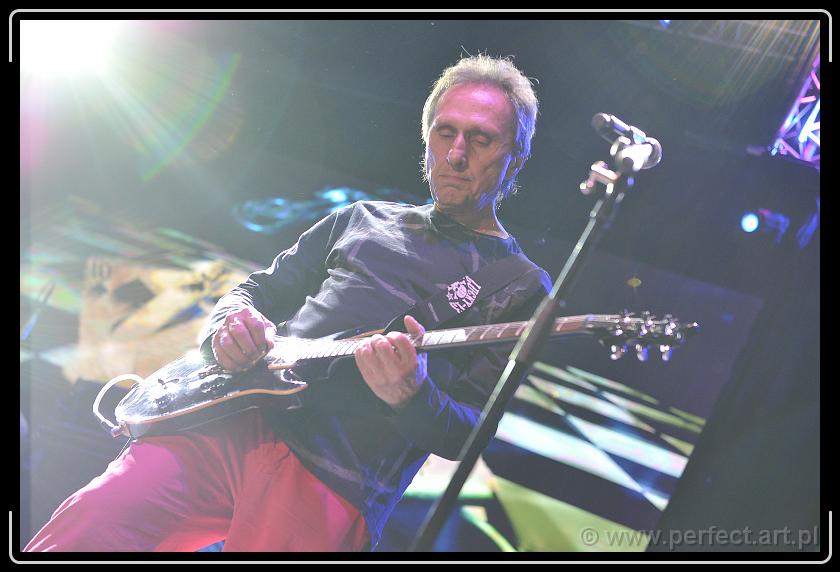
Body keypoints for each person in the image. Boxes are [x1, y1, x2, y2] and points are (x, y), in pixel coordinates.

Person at [24, 54, 552, 552]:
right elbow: (253, 293)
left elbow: (467, 433)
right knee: (84, 532)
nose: (456, 154)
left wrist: (410, 395)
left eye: (480, 139)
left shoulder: (520, 284)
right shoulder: (361, 219)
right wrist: (230, 328)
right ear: (427, 135)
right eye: (445, 132)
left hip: (336, 477)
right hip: (227, 418)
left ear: (517, 156)